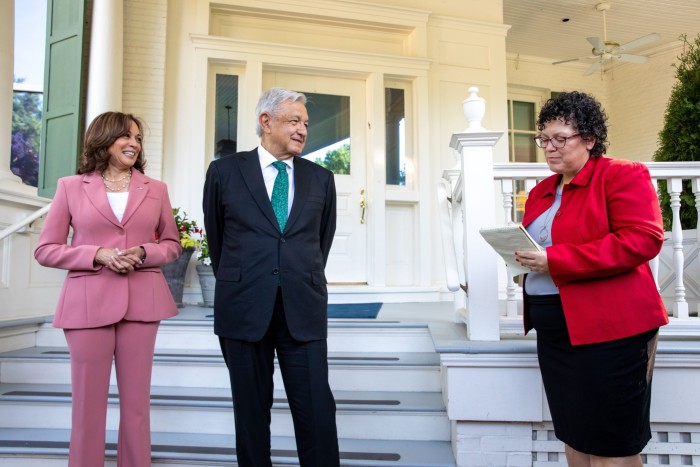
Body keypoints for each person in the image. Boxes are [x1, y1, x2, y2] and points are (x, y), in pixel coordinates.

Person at [514, 91, 669, 466]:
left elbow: (643, 239)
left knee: (611, 443)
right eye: (543, 139)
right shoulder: (541, 190)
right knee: (574, 434)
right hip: (556, 333)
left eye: (560, 139)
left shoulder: (621, 175)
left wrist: (556, 260)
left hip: (611, 332)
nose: (549, 148)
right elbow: (547, 244)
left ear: (589, 139)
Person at [34, 111, 182, 466]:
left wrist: (146, 251)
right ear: (104, 140)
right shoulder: (71, 187)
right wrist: (95, 254)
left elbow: (173, 244)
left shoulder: (155, 189)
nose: (134, 143)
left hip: (143, 303)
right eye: (125, 136)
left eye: (138, 138)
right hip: (87, 303)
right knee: (87, 404)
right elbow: (45, 249)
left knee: (136, 404)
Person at [203, 87, 339, 467]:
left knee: (317, 412)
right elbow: (218, 241)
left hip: (303, 308)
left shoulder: (321, 179)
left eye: (306, 124)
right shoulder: (224, 172)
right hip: (244, 308)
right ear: (266, 122)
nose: (303, 130)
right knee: (250, 414)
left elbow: (320, 244)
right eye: (294, 121)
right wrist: (247, 280)